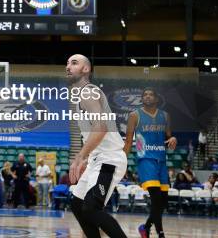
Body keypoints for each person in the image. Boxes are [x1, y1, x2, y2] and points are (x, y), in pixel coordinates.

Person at [67, 54, 128, 238]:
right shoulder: (79, 96)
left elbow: (100, 128)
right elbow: (93, 133)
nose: (68, 66)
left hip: (109, 159)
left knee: (91, 209)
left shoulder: (88, 91)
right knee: (78, 205)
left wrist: (80, 156)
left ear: (86, 69)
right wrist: (88, 156)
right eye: (67, 63)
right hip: (98, 159)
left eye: (74, 63)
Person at [123, 88, 177, 238]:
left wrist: (173, 139)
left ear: (157, 99)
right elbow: (128, 141)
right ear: (141, 99)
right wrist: (122, 162)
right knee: (156, 199)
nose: (147, 96)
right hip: (145, 159)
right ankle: (161, 234)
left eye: (151, 94)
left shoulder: (165, 116)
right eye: (144, 95)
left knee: (163, 201)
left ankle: (146, 227)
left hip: (161, 160)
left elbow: (168, 137)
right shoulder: (134, 116)